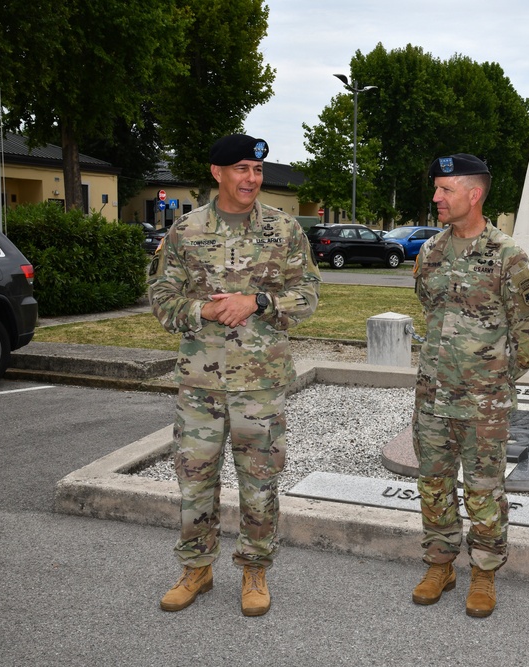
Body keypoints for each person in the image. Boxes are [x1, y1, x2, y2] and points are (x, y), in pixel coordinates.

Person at [148, 134, 321, 617]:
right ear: (217, 173)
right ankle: (196, 569)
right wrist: (202, 308)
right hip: (200, 383)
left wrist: (259, 301)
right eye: (242, 169)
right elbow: (162, 298)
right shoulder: (184, 231)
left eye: (258, 171)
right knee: (195, 480)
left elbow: (308, 295)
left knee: (260, 481)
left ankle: (254, 571)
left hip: (260, 383)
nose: (251, 179)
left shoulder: (285, 231)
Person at [410, 153, 529, 618]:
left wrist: (497, 378)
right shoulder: (430, 252)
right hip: (432, 394)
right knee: (433, 482)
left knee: (484, 487)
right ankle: (440, 564)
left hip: (484, 400)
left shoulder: (508, 255)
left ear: (474, 193)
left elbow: (528, 326)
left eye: (445, 189)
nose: (436, 197)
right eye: (437, 189)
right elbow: (428, 305)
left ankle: (484, 572)